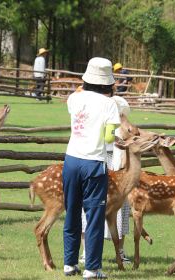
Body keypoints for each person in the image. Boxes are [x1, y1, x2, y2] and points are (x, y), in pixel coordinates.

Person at [62, 57, 120, 279]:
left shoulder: (74, 99)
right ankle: (92, 268)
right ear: (107, 82)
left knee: (72, 212)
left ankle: (69, 264)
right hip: (94, 163)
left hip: (71, 160)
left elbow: (79, 93)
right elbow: (108, 137)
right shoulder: (110, 105)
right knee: (94, 216)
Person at [79, 96, 132, 266]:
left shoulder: (124, 126)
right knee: (89, 205)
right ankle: (86, 252)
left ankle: (120, 251)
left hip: (117, 164)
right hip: (98, 160)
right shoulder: (98, 119)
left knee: (121, 207)